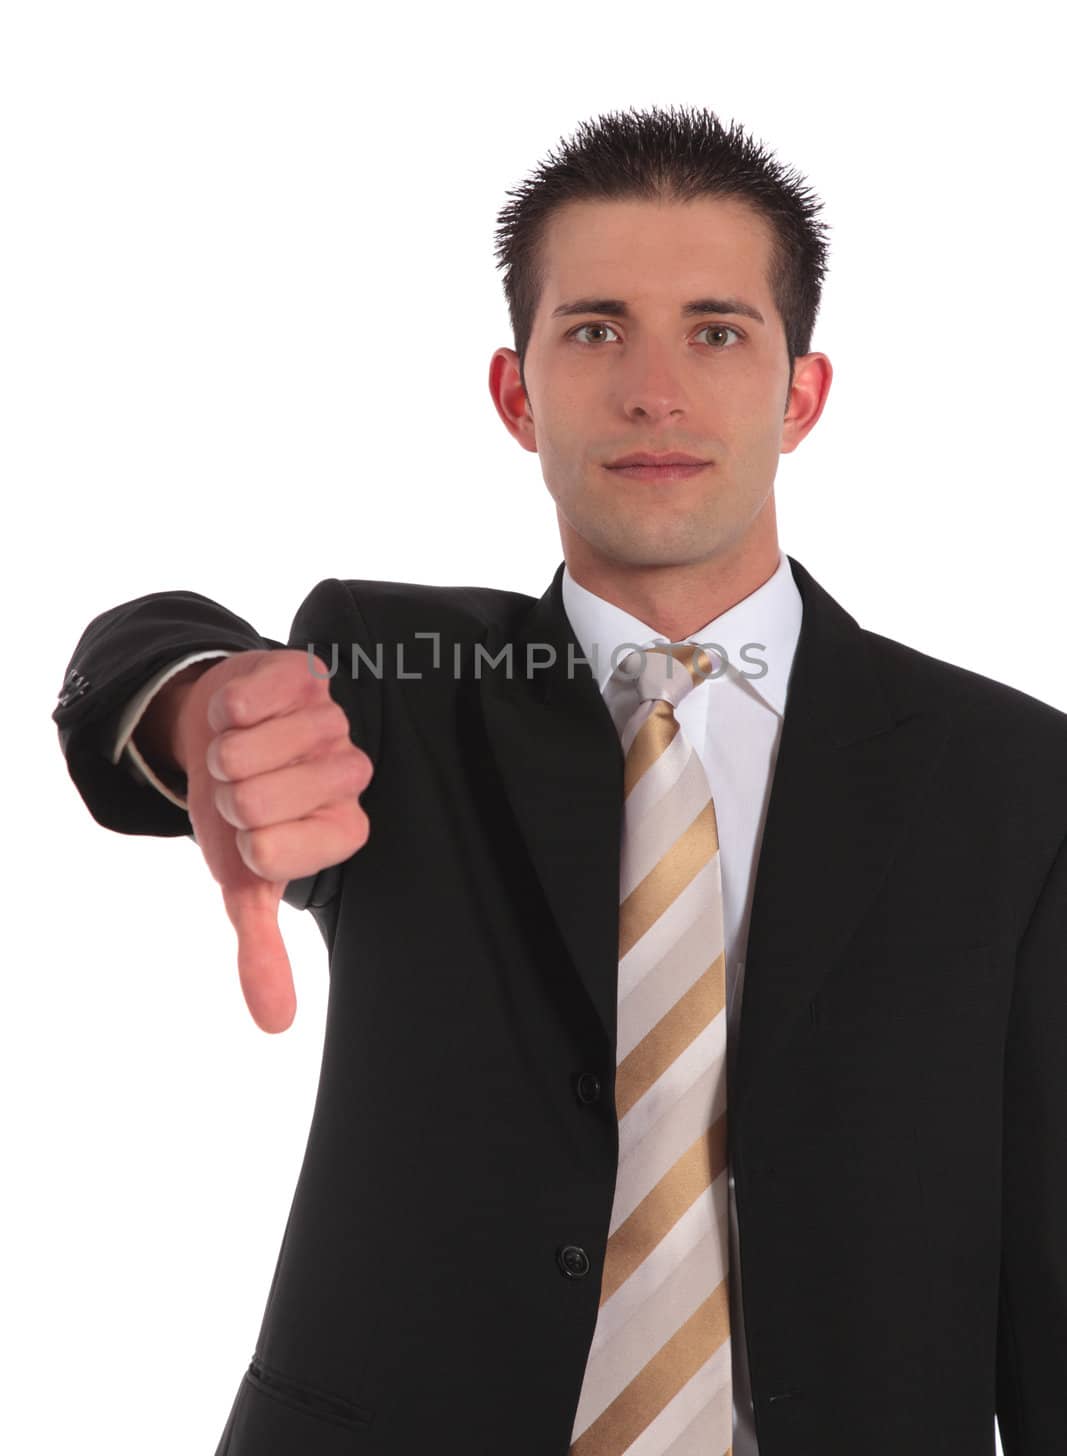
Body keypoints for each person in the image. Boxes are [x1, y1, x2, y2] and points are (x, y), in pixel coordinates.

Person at [53, 104, 1066, 1456]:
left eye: (716, 332)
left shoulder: (1011, 776)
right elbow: (147, 646)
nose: (656, 391)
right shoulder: (394, 683)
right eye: (596, 331)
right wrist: (199, 710)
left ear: (801, 395)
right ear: (516, 394)